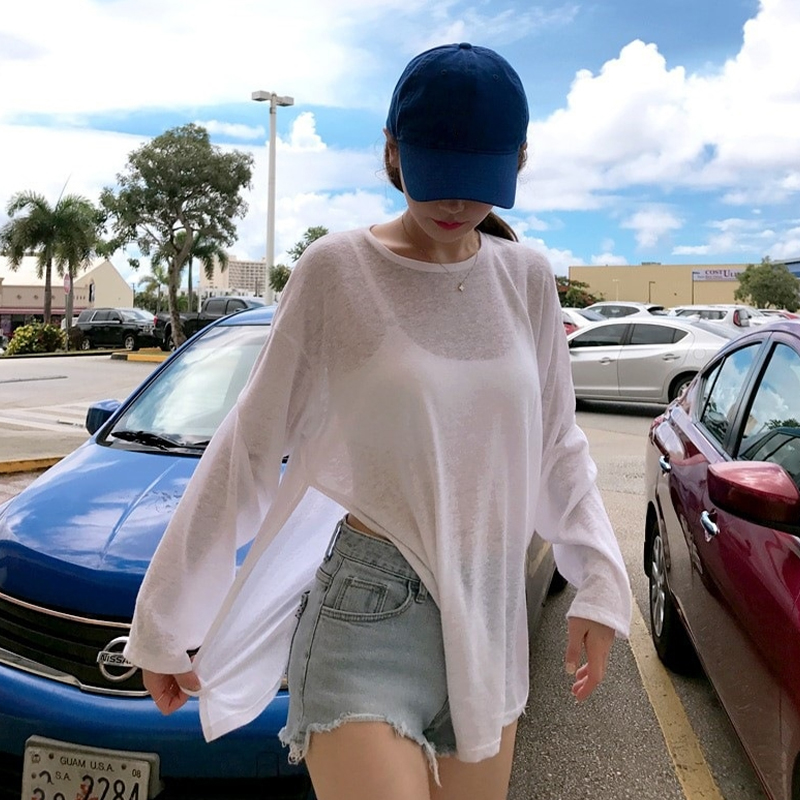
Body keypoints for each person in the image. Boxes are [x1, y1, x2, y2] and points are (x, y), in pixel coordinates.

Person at [124, 42, 632, 800]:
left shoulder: (525, 277)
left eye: (478, 180)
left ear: (519, 162)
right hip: (368, 609)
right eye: (435, 172)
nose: (455, 202)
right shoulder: (337, 270)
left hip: (489, 609)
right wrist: (165, 620)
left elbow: (557, 443)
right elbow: (252, 442)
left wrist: (599, 580)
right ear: (392, 150)